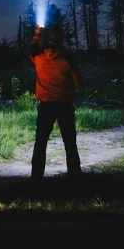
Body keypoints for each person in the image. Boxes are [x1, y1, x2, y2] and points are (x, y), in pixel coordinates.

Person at [28, 25, 83, 180]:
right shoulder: (67, 61)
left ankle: (36, 177)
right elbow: (79, 83)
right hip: (64, 105)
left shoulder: (38, 58)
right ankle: (75, 175)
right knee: (70, 141)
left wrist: (37, 33)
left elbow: (32, 48)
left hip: (45, 106)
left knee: (40, 142)